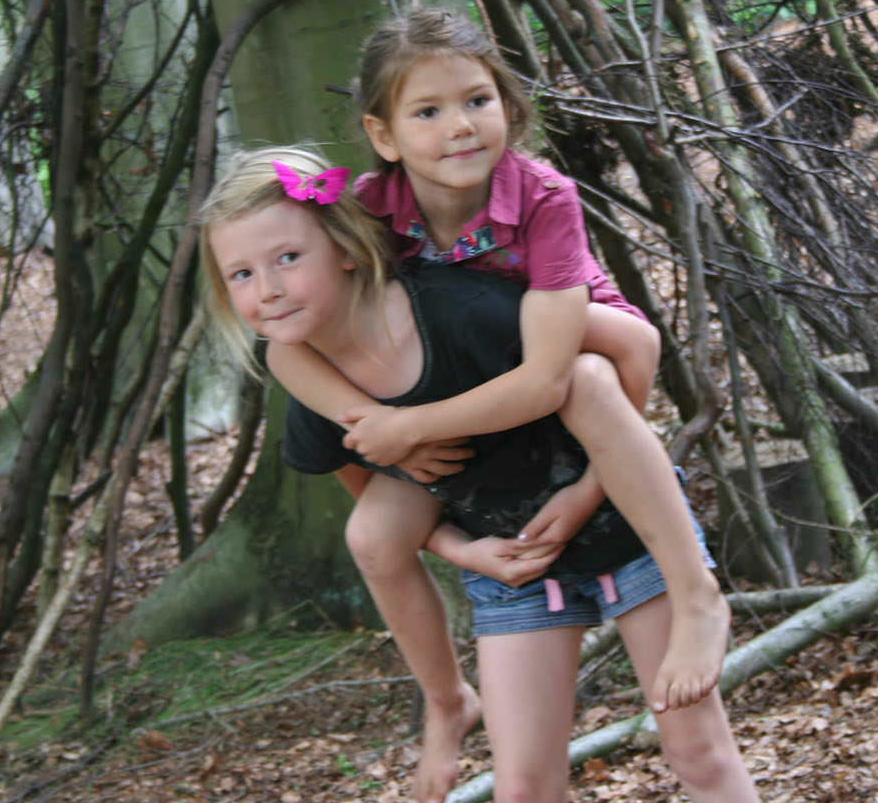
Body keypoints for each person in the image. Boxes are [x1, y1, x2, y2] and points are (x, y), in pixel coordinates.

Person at [199, 149, 756, 803]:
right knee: (520, 788)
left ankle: (699, 594)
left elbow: (627, 356)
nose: (266, 289)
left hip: (627, 532)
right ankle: (446, 701)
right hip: (514, 568)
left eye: (287, 259)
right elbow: (372, 500)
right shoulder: (313, 384)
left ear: (346, 248)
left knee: (697, 753)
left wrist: (586, 492)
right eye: (241, 274)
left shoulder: (460, 308)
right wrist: (465, 552)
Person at [265, 9, 721, 718]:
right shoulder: (368, 214)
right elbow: (291, 343)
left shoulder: (541, 197)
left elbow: (571, 370)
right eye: (428, 111)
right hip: (483, 384)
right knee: (375, 535)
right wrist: (376, 425)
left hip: (565, 352)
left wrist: (409, 426)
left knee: (598, 367)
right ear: (382, 135)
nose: (460, 126)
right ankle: (448, 700)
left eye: (477, 101)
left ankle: (696, 591)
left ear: (507, 105)